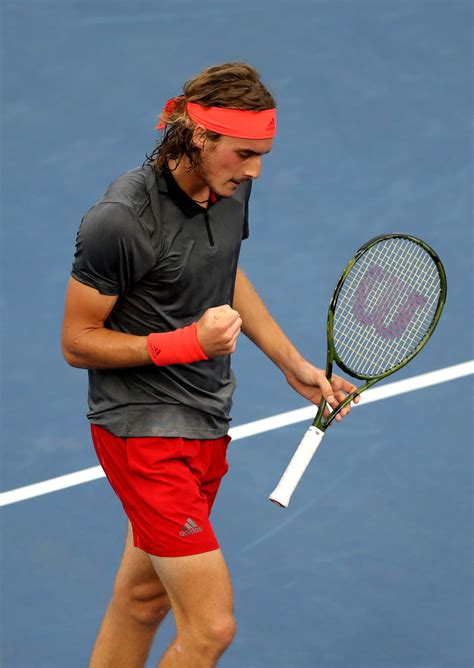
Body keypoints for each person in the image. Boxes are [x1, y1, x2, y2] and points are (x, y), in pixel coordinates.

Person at [61, 62, 357, 668]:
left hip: (204, 420)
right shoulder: (119, 220)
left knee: (143, 601)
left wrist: (290, 362)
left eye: (263, 155)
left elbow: (221, 271)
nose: (254, 170)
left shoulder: (228, 188)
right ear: (199, 137)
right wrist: (185, 344)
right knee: (210, 629)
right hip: (140, 432)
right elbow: (77, 340)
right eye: (244, 153)